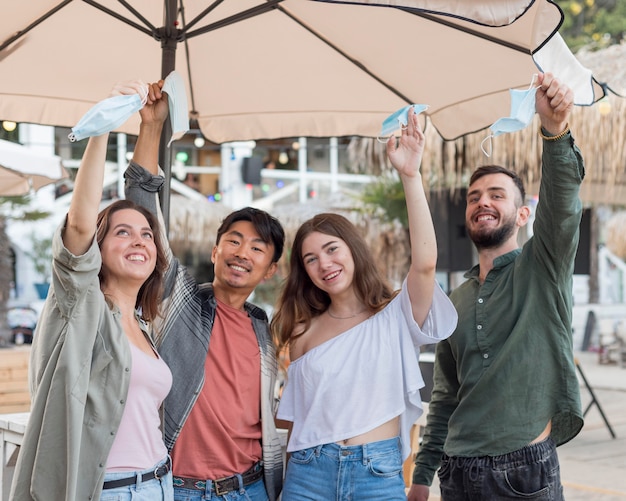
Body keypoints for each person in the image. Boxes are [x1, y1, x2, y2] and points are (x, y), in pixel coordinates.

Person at [409, 72, 585, 501]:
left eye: (496, 195)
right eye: (473, 197)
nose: (482, 202)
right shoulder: (455, 299)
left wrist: (555, 131)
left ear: (522, 214)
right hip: (456, 472)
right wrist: (421, 476)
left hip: (522, 472)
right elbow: (446, 395)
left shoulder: (543, 267)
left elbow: (562, 206)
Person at [271, 107, 458, 500]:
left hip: (376, 473)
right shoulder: (303, 332)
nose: (324, 263)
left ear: (352, 250)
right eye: (310, 259)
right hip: (307, 474)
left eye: (331, 249)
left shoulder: (395, 316)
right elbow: (292, 422)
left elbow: (425, 264)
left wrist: (410, 175)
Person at [10, 81, 173, 501]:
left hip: (159, 483)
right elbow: (80, 225)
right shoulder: (80, 305)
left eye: (146, 235)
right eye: (122, 232)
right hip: (107, 492)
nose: (140, 241)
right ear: (96, 251)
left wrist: (151, 129)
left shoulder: (144, 324)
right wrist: (104, 125)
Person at [124, 82, 285, 500]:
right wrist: (151, 128)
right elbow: (143, 206)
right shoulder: (181, 301)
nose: (242, 253)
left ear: (269, 270)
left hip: (251, 488)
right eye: (233, 240)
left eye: (257, 248)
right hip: (180, 488)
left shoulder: (262, 326)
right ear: (215, 251)